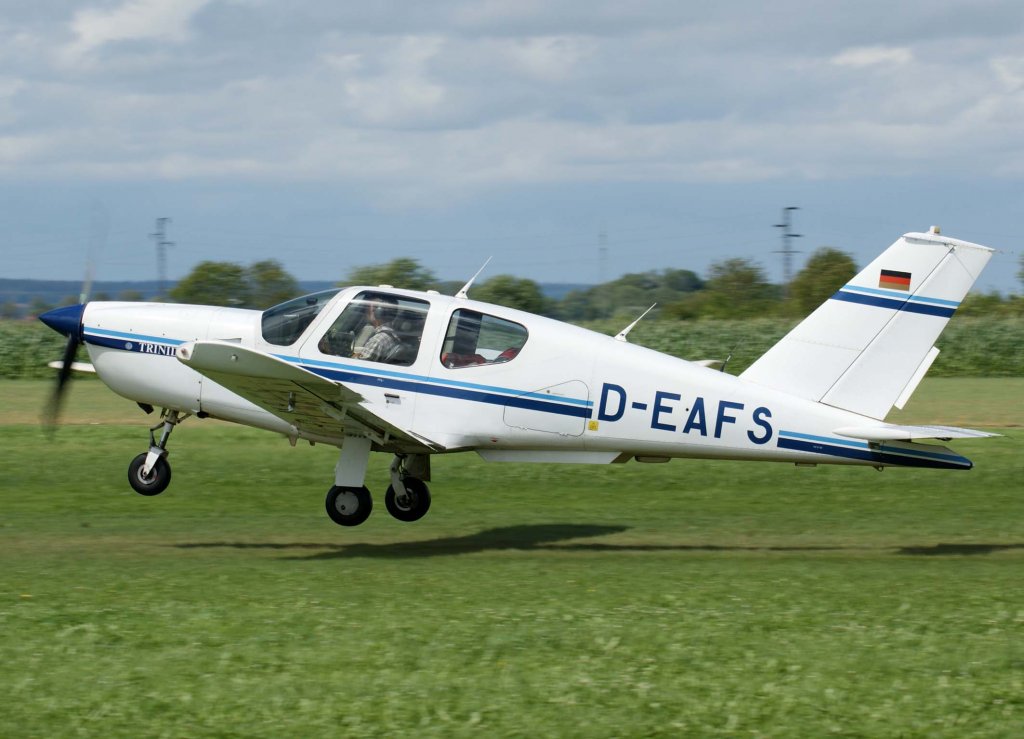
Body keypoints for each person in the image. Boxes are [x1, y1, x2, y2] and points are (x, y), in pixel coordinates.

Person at [355, 296, 405, 363]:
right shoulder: (393, 335)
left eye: (368, 310)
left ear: (378, 312)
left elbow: (360, 364)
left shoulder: (378, 339)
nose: (366, 313)